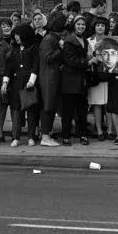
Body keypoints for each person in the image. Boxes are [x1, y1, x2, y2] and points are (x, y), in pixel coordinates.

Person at [60, 15, 98, 145]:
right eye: (78, 24)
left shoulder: (85, 41)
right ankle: (65, 136)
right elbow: (71, 61)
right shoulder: (69, 40)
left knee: (82, 110)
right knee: (68, 110)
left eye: (83, 24)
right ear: (74, 25)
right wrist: (88, 62)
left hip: (81, 80)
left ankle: (83, 135)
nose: (81, 26)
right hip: (70, 80)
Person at [2, 24, 40, 147]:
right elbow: (9, 67)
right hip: (16, 83)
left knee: (31, 111)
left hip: (29, 83)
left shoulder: (33, 48)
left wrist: (32, 81)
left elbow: (35, 65)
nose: (16, 37)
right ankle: (16, 137)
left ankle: (31, 136)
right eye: (15, 35)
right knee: (16, 111)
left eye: (18, 35)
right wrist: (5, 82)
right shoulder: (14, 49)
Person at [38, 14, 66, 147]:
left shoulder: (51, 37)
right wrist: (60, 49)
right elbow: (47, 58)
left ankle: (47, 134)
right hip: (48, 77)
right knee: (48, 106)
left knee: (51, 106)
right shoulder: (49, 39)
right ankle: (45, 136)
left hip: (52, 76)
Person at [87, 16, 110, 140]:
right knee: (97, 103)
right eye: (98, 25)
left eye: (102, 25)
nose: (100, 27)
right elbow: (87, 57)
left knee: (108, 103)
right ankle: (99, 130)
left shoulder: (111, 40)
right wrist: (94, 53)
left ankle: (109, 128)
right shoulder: (89, 41)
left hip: (109, 74)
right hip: (95, 75)